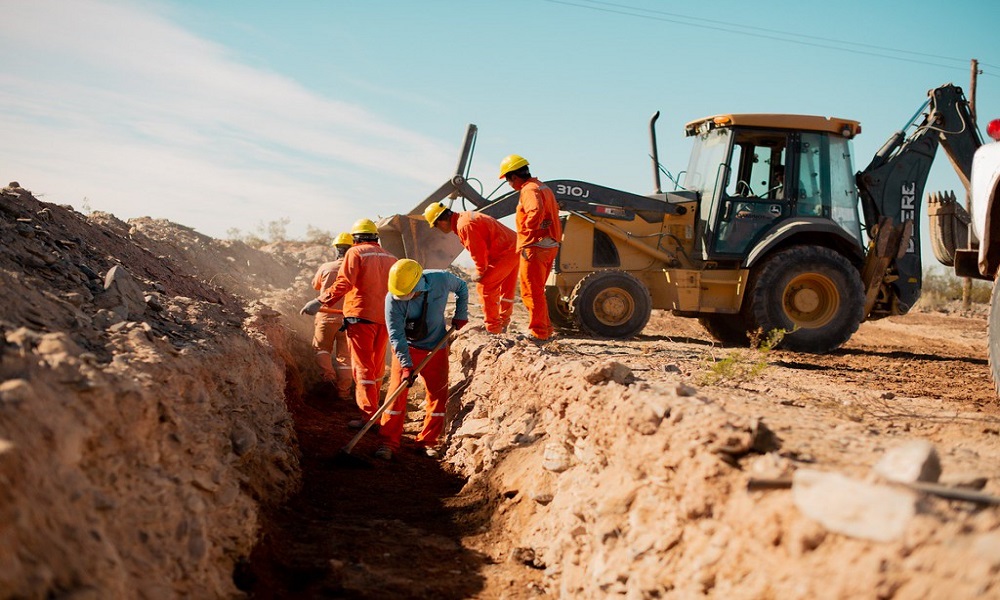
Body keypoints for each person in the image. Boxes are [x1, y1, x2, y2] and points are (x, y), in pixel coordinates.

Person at [301, 218, 397, 428]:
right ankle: (377, 411)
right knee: (376, 366)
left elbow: (345, 282)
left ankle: (368, 416)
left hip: (360, 317)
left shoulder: (356, 253)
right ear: (375, 237)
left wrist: (320, 300)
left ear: (356, 239)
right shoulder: (391, 258)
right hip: (385, 318)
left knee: (362, 368)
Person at [376, 258, 469, 460]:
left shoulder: (441, 279)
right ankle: (388, 442)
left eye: (408, 294)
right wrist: (406, 365)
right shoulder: (393, 299)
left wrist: (461, 313)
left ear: (419, 284)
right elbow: (396, 335)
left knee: (437, 395)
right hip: (407, 347)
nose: (404, 298)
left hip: (436, 347)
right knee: (396, 395)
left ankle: (428, 441)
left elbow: (462, 287)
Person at [423, 202, 518, 334]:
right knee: (506, 289)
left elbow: (478, 250)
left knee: (485, 286)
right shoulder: (465, 218)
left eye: (435, 226)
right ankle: (503, 321)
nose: (437, 229)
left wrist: (479, 272)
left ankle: (493, 329)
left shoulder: (464, 225)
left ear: (441, 221)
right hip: (513, 246)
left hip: (505, 251)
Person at [498, 154, 563, 341]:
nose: (509, 184)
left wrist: (528, 232)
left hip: (535, 247)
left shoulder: (528, 190)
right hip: (549, 244)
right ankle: (546, 328)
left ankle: (538, 332)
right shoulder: (543, 187)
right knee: (537, 291)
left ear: (514, 177)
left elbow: (535, 211)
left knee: (530, 292)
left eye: (508, 180)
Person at [304, 232, 354, 400]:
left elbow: (315, 285)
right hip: (348, 319)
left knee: (321, 348)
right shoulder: (355, 270)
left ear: (336, 249)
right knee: (345, 357)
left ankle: (328, 378)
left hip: (325, 317)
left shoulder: (326, 267)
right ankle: (344, 392)